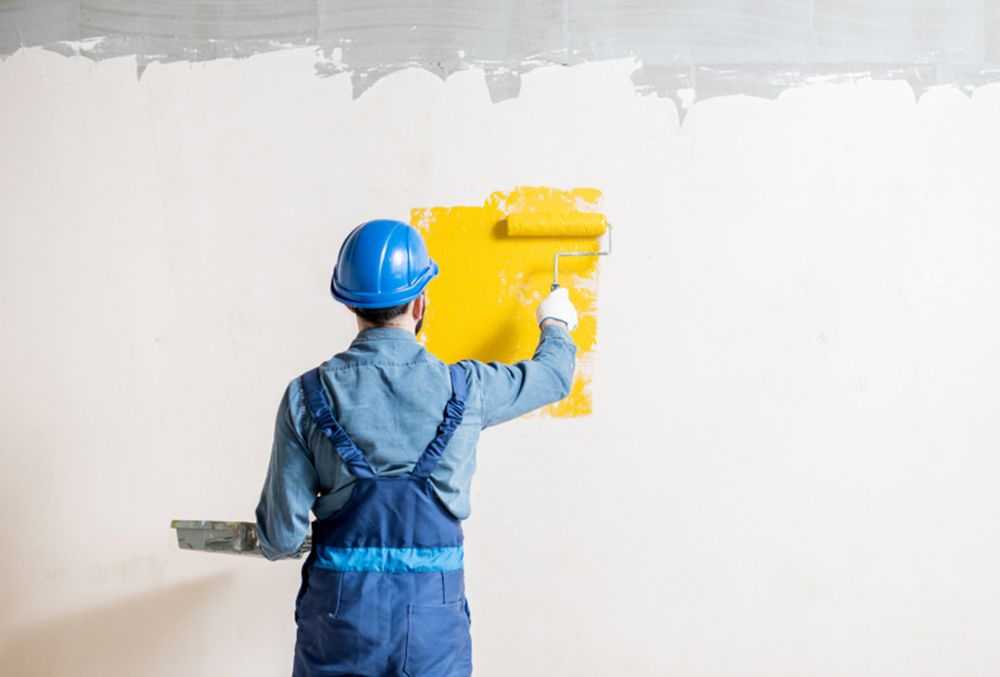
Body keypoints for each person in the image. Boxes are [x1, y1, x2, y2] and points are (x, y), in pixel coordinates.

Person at [255, 219, 578, 677]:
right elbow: (554, 377)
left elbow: (280, 539)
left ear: (350, 305)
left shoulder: (306, 396)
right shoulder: (469, 389)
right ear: (421, 302)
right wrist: (556, 322)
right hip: (433, 632)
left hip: (339, 630)